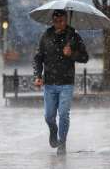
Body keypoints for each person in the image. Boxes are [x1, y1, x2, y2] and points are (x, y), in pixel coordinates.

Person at [33, 9, 89, 155]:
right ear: (53, 20)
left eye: (62, 21)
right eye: (56, 21)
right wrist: (38, 75)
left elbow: (85, 57)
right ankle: (53, 129)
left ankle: (62, 143)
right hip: (50, 83)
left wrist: (72, 54)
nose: (59, 24)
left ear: (66, 20)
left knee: (64, 114)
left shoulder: (73, 36)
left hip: (66, 82)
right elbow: (38, 57)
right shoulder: (46, 36)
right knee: (49, 116)